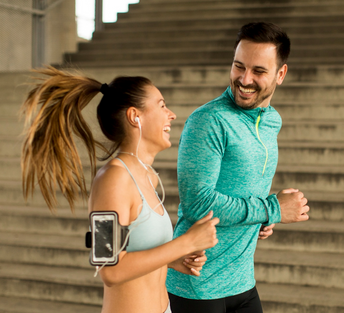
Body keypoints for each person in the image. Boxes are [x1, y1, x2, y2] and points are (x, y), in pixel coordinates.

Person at [21, 66, 219, 313]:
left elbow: (136, 252)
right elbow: (110, 268)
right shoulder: (113, 179)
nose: (172, 114)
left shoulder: (147, 177)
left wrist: (172, 259)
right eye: (161, 105)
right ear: (135, 116)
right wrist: (185, 243)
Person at [166, 22, 310, 313]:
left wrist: (259, 220)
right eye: (238, 66)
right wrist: (271, 209)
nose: (244, 79)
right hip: (199, 287)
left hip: (243, 282)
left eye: (258, 71)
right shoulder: (209, 121)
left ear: (280, 74)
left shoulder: (271, 121)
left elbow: (244, 192)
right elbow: (198, 203)